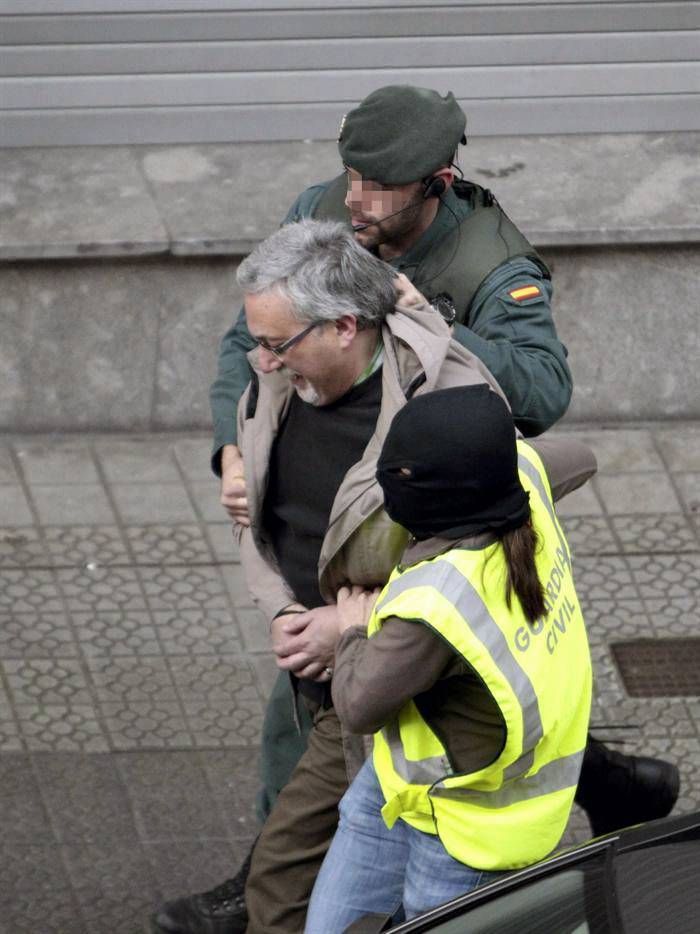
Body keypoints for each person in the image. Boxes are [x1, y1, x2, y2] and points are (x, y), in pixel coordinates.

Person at [152, 87, 678, 934]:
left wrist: (416, 319)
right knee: (439, 708)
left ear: (437, 181)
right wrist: (230, 446)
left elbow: (542, 393)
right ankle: (614, 784)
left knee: (357, 712)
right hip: (339, 507)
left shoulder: (488, 263)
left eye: (380, 185)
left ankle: (266, 893)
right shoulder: (325, 214)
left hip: (424, 518)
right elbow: (245, 342)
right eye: (352, 174)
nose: (355, 197)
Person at [305, 384, 593, 931]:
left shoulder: (435, 607)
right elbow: (583, 459)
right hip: (408, 781)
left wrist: (351, 631)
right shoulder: (518, 476)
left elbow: (358, 706)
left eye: (400, 477)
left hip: (471, 831)